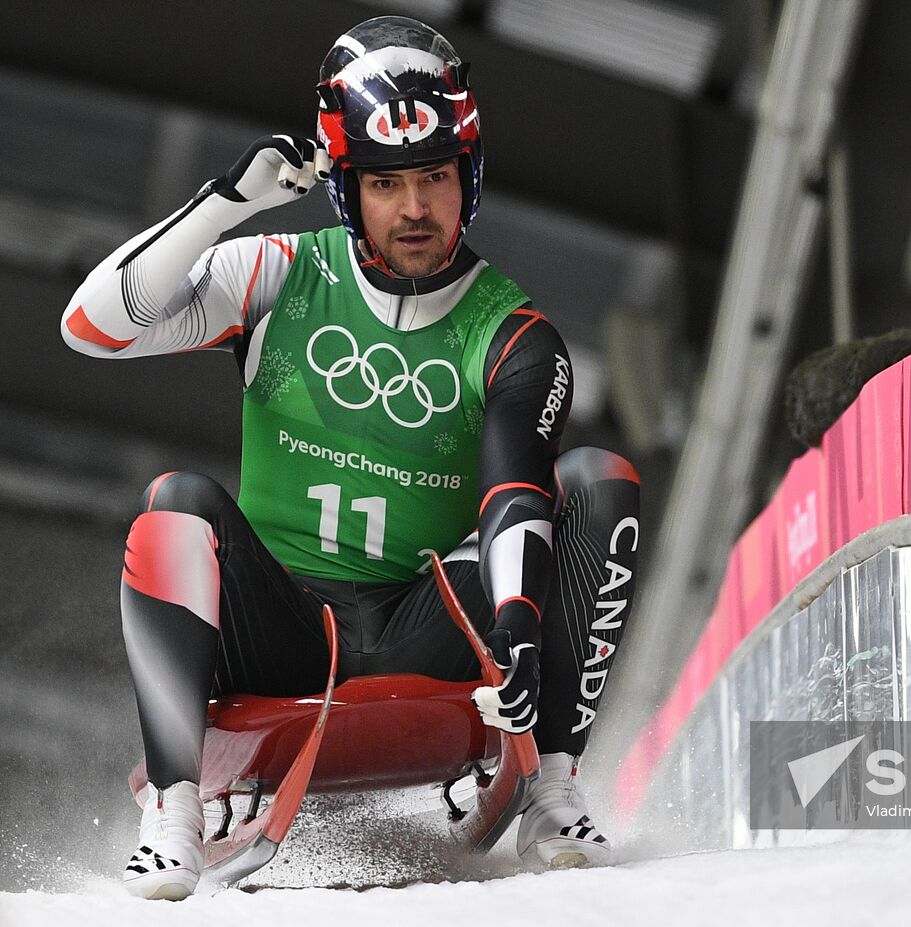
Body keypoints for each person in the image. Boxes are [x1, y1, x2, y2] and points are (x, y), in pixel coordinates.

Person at [61, 15, 639, 900]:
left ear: (468, 180)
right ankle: (172, 813)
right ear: (347, 190)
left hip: (434, 621)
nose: (415, 209)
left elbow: (514, 487)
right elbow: (94, 328)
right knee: (174, 499)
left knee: (600, 482)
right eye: (388, 184)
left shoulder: (516, 332)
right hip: (284, 631)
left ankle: (554, 792)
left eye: (436, 178)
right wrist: (228, 202)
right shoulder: (278, 273)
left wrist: (520, 626)